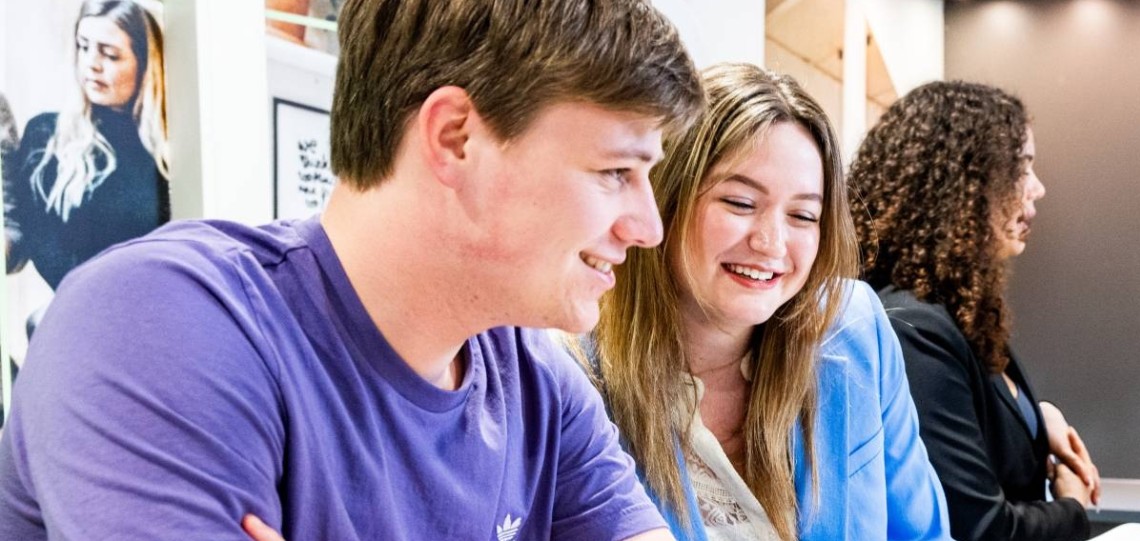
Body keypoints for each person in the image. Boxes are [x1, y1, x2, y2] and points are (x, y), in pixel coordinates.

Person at [0, 0, 703, 539]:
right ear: (455, 138)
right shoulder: (157, 327)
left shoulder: (540, 389)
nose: (647, 228)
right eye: (616, 171)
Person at [589, 63, 951, 541]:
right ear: (666, 199)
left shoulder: (855, 327)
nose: (771, 242)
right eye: (740, 203)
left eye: (803, 215)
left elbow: (923, 534)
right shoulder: (573, 372)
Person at [849, 81, 1100, 541]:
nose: (1037, 189)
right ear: (962, 186)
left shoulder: (955, 313)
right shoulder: (914, 329)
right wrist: (1074, 508)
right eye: (1020, 169)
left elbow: (983, 419)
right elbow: (982, 530)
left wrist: (1038, 418)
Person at [3, 0, 169, 293]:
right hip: (81, 312)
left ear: (145, 62)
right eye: (83, 46)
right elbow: (35, 241)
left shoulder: (169, 151)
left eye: (110, 54)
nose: (91, 64)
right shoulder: (47, 138)